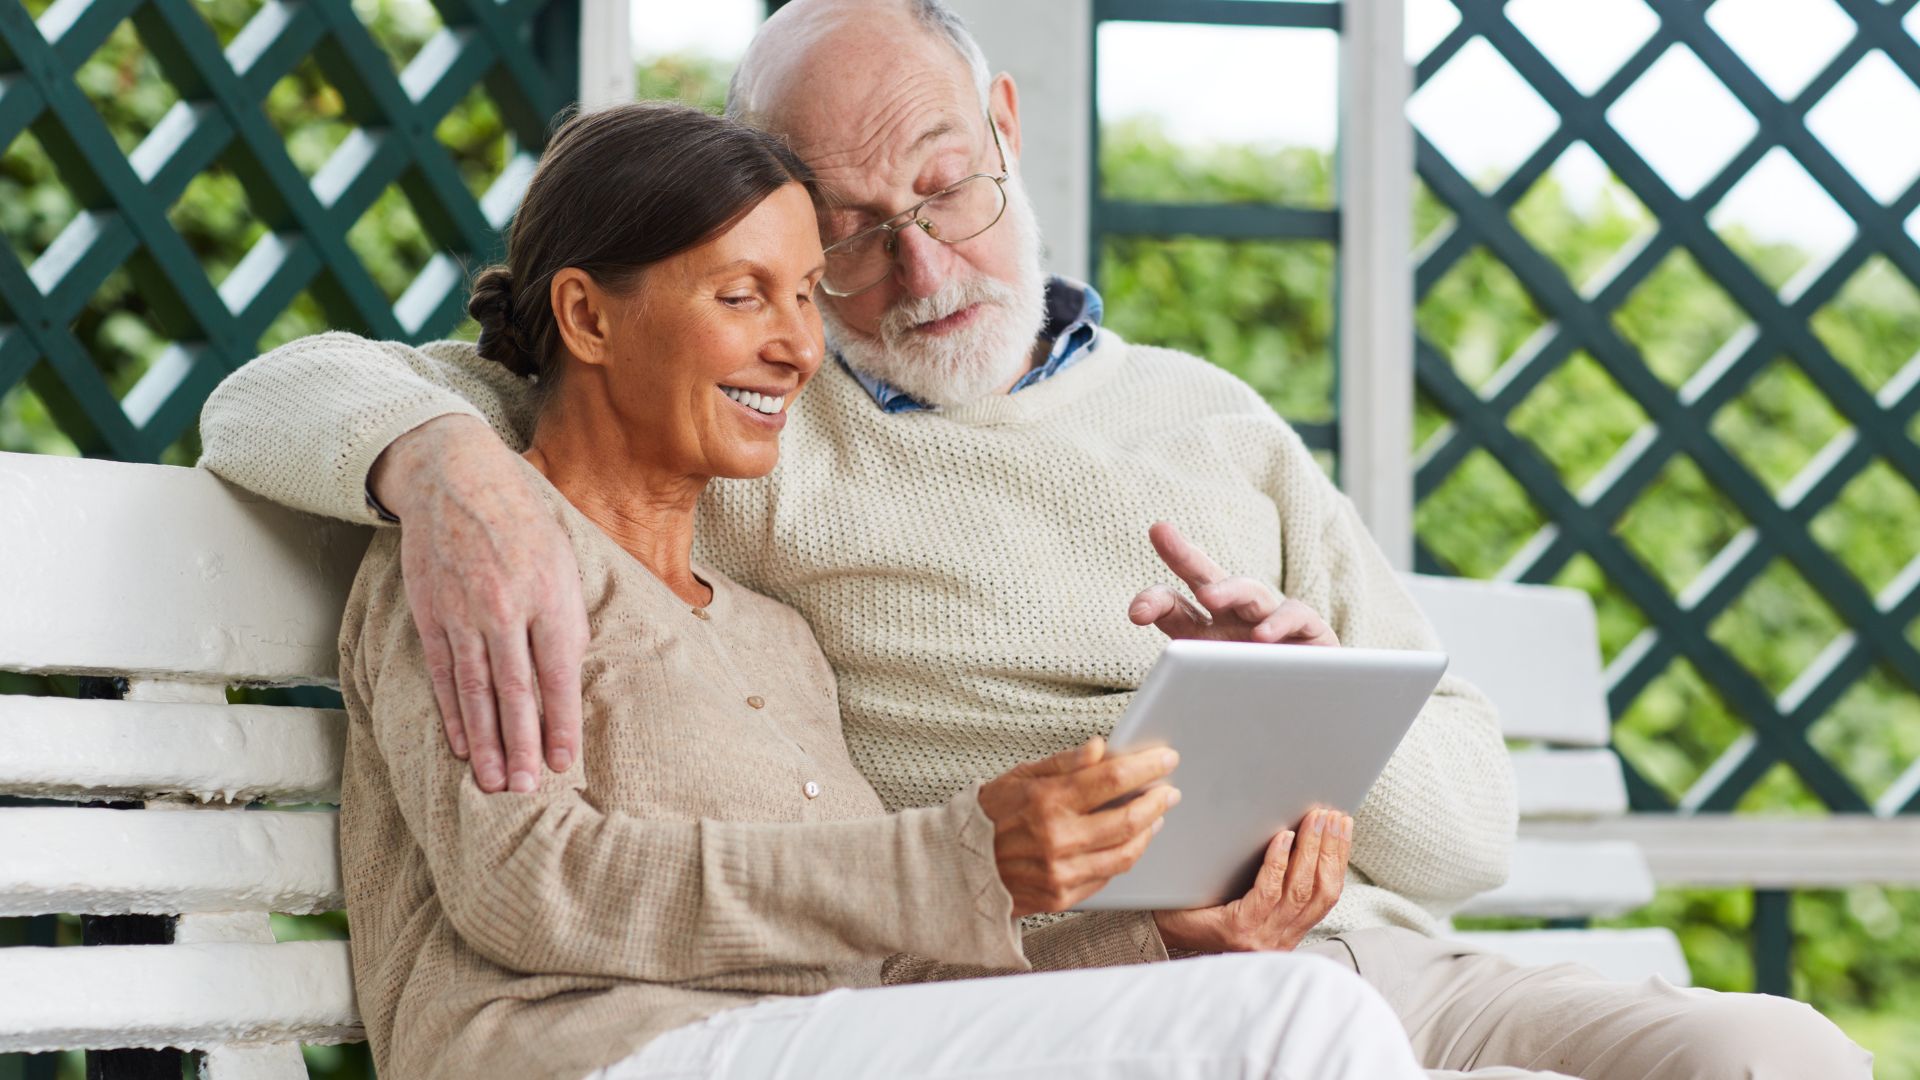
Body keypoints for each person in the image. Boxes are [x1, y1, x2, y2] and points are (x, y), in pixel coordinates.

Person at [206, 2, 1872, 1076]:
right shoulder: (755, 423)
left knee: (1777, 1055)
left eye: (945, 190)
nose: (913, 271)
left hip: (1363, 952)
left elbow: (1472, 840)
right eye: (841, 244)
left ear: (1003, 120)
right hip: (1098, 994)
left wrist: (1324, 708)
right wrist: (436, 462)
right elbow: (293, 392)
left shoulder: (1218, 420)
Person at [340, 99, 1418, 1080]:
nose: (797, 346)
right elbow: (524, 882)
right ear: (587, 317)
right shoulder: (470, 565)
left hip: (800, 1050)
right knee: (1300, 1026)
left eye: (806, 295)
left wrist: (1163, 939)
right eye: (741, 295)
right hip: (583, 1058)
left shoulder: (773, 636)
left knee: (1284, 998)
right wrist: (958, 855)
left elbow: (890, 981)